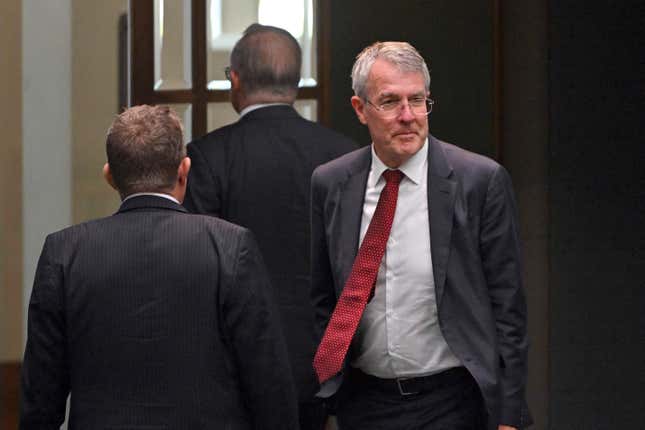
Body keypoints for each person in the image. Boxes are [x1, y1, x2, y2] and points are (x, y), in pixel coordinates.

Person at [20, 105, 298, 429]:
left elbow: (41, 397)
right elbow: (268, 383)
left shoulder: (65, 253)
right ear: (184, 171)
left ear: (109, 176)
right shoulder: (230, 246)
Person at [310, 42, 532, 430]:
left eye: (418, 100)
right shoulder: (332, 184)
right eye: (390, 102)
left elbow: (508, 309)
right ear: (360, 109)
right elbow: (323, 297)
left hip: (454, 401)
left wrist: (509, 415)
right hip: (365, 402)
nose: (408, 116)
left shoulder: (479, 181)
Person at [184, 23, 356, 429]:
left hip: (235, 359)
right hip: (326, 357)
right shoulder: (345, 156)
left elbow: (194, 267)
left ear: (235, 80)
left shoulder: (207, 157)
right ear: (296, 83)